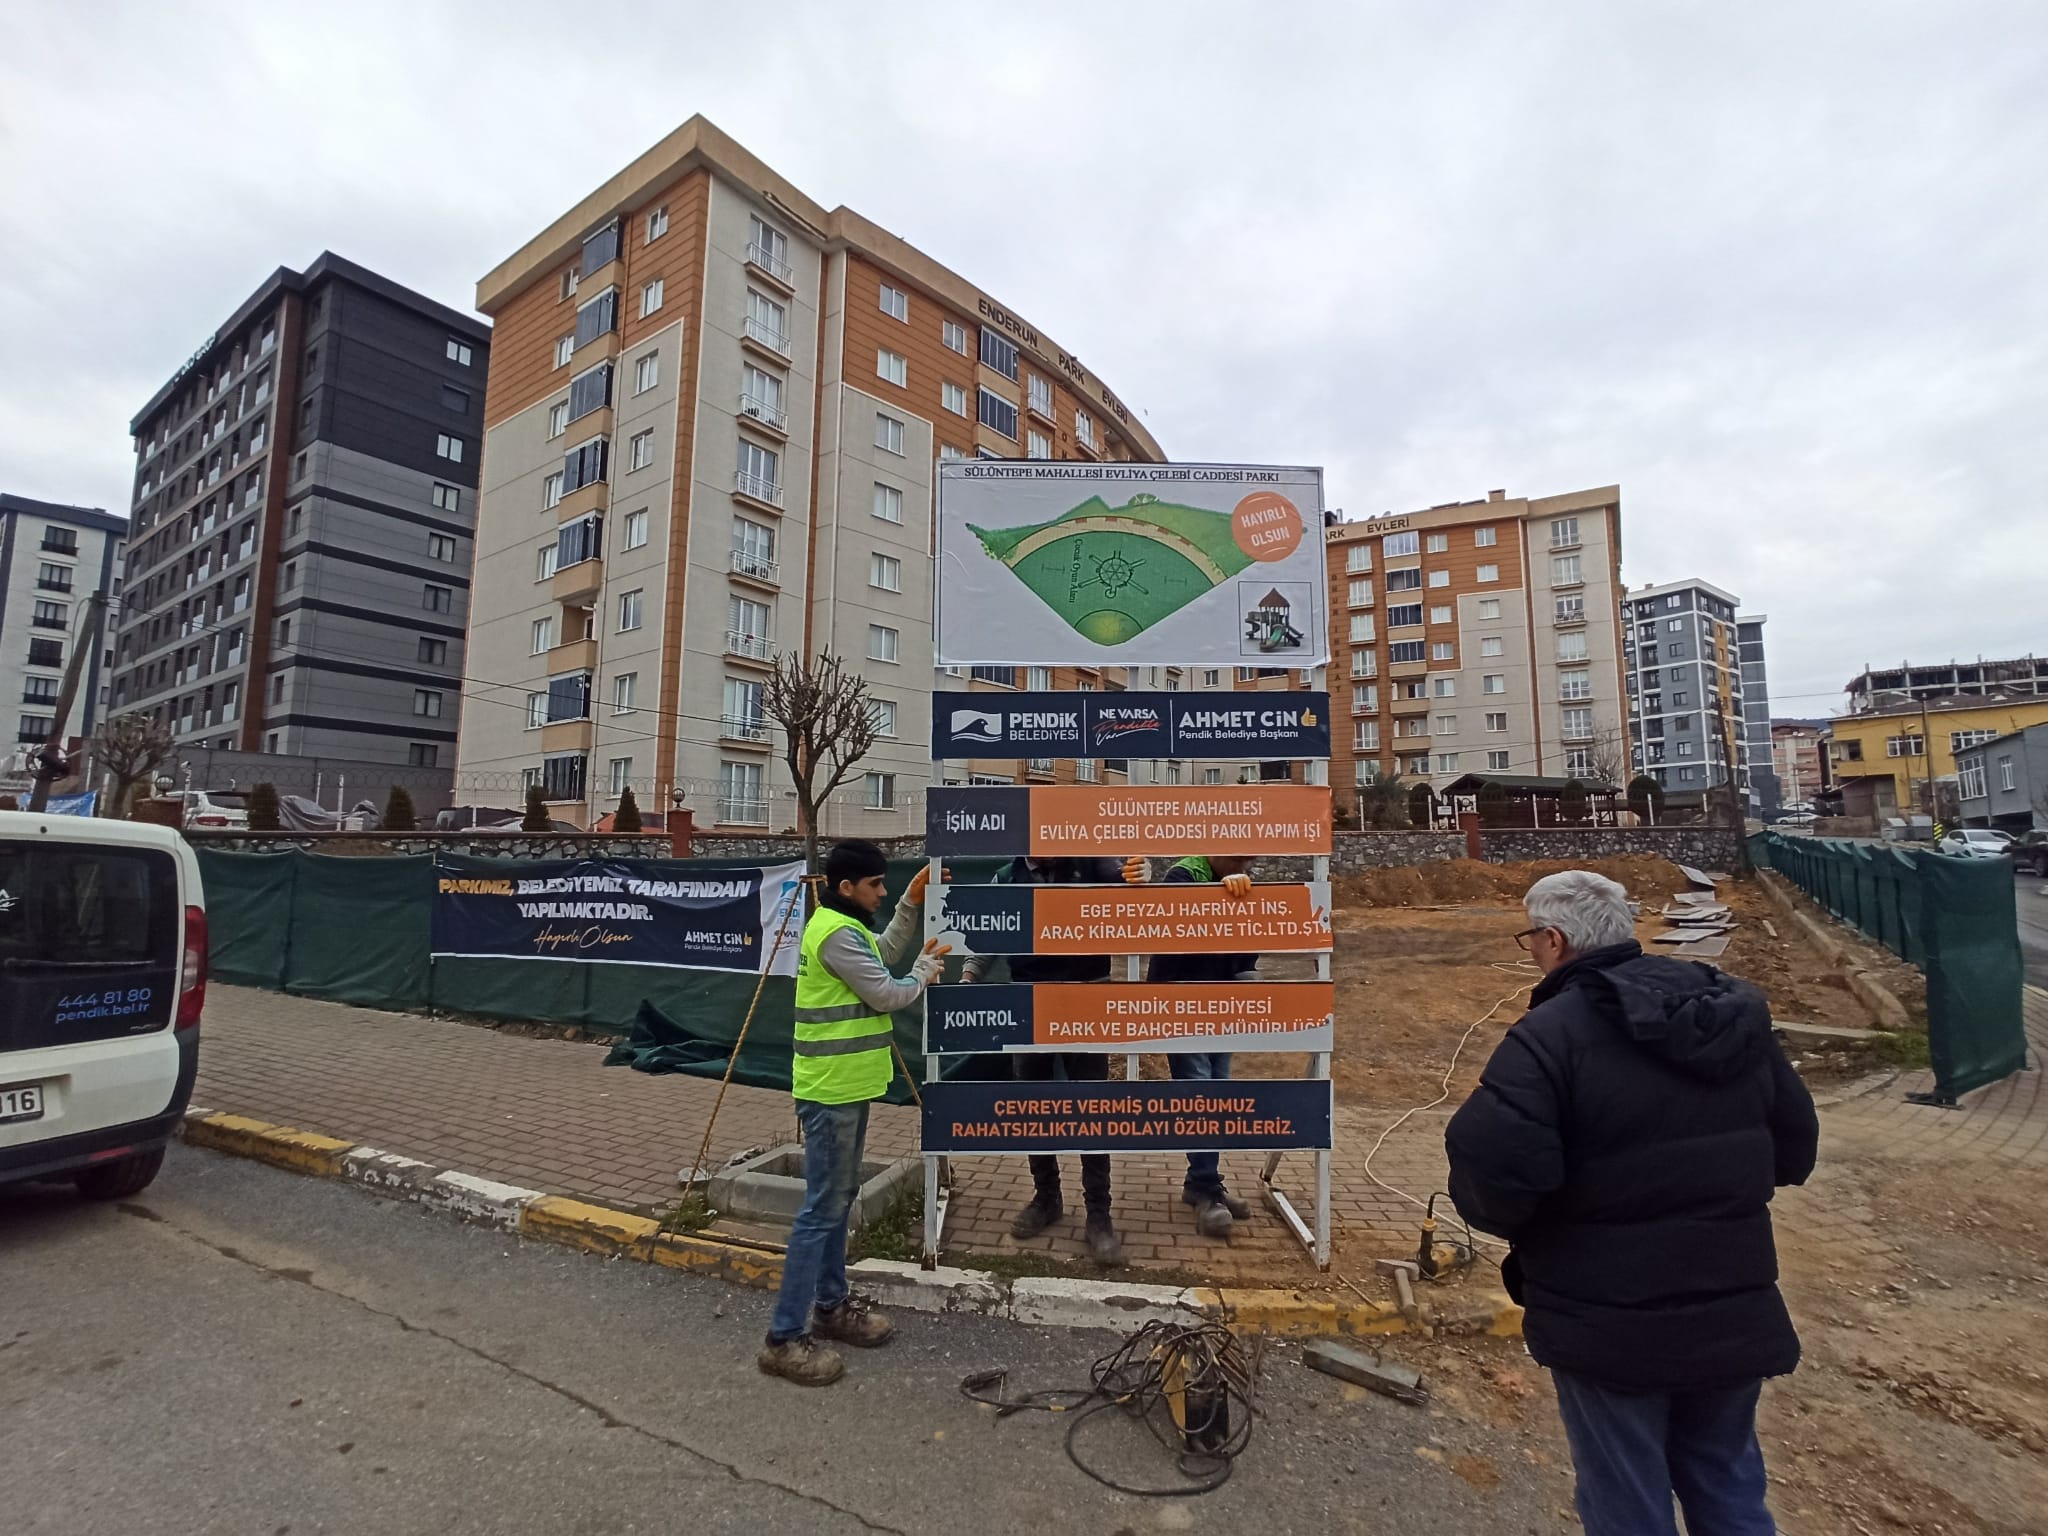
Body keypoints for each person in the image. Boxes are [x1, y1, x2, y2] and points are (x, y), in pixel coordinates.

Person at [1444, 870, 1819, 1536]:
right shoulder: (1727, 1009)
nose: (1531, 950)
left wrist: (1539, 1229)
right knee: (1727, 1483)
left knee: (1625, 1497)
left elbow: (1494, 1177)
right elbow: (1794, 1151)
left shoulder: (1549, 1036)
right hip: (1731, 1301)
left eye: (1530, 939)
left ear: (1554, 940)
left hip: (1607, 1318)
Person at [759, 840, 949, 1388]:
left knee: (836, 1203)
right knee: (822, 1210)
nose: (882, 892)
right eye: (876, 885)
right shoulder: (836, 933)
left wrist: (910, 905)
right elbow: (886, 991)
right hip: (831, 1091)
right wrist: (924, 972)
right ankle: (783, 1339)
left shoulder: (844, 926)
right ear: (846, 887)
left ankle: (831, 1307)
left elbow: (881, 954)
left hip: (846, 1087)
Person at [963, 854, 1147, 1267]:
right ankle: (1047, 1198)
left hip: (1087, 1003)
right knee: (1032, 1108)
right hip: (1029, 1007)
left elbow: (1126, 887)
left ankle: (1099, 1215)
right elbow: (986, 936)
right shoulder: (1006, 878)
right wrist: (968, 978)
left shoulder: (1093, 863)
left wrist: (1137, 876)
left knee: (1092, 1110)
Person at [1145, 854, 1259, 1239]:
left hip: (1220, 1006)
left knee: (1217, 1092)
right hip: (1180, 1004)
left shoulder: (1240, 878)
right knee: (1200, 1092)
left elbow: (1248, 937)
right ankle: (1208, 1188)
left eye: (1251, 857)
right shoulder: (1184, 874)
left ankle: (1201, 1183)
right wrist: (1217, 897)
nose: (1247, 862)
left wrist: (1245, 973)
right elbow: (1179, 932)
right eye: (1240, 856)